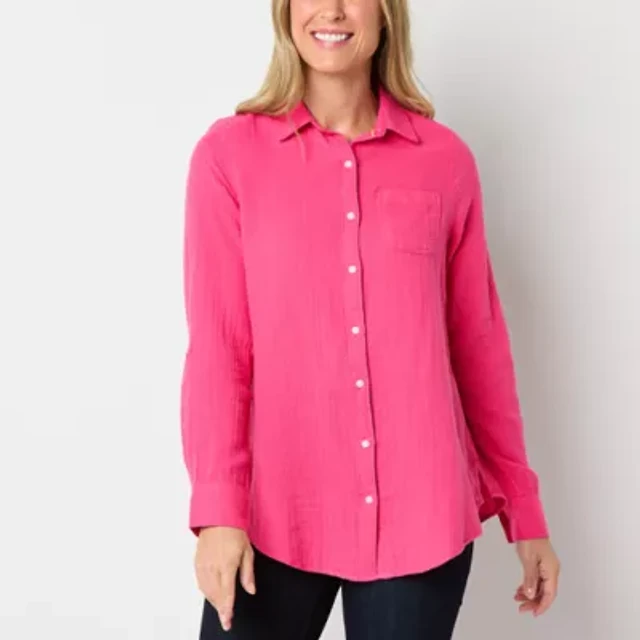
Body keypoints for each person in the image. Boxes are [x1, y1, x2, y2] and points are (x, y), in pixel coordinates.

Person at [179, 0, 561, 637]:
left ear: (386, 14)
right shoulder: (229, 157)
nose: (330, 10)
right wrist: (218, 511)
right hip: (274, 513)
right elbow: (220, 350)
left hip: (422, 518)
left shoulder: (445, 161)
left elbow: (479, 347)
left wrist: (525, 510)